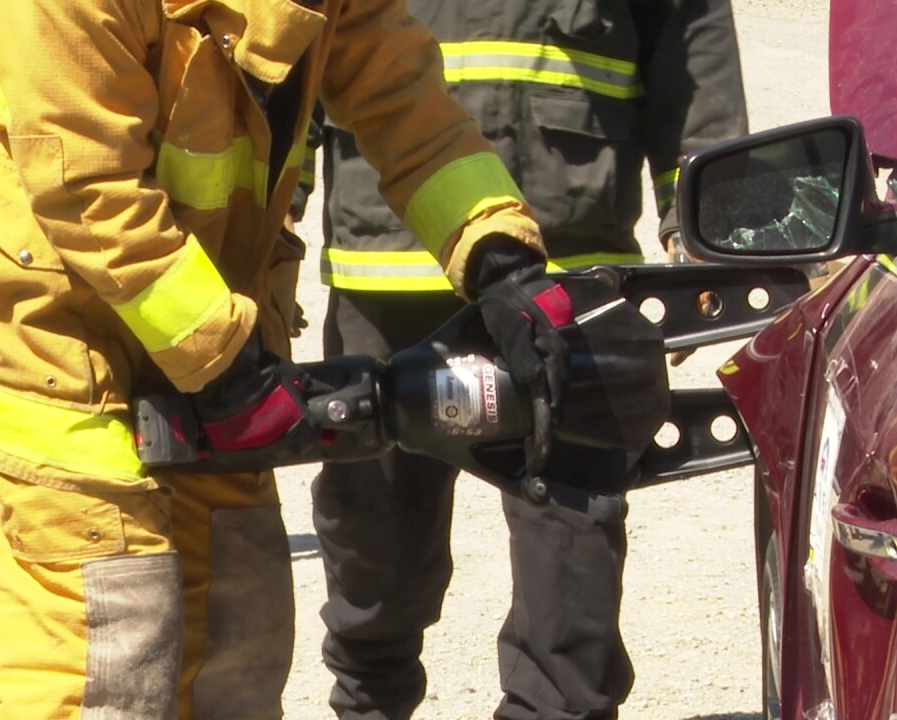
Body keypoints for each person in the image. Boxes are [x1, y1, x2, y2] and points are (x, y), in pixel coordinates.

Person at [0, 0, 599, 717]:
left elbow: (405, 103)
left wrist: (497, 254)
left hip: (209, 311)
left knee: (237, 639)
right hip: (54, 345)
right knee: (108, 651)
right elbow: (86, 187)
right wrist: (223, 357)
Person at [312, 1, 749, 718]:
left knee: (572, 539)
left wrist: (711, 216)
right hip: (389, 261)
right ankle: (369, 703)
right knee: (376, 543)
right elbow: (286, 40)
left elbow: (691, 39)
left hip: (567, 273)